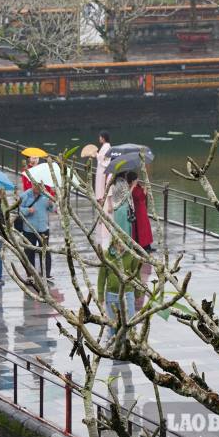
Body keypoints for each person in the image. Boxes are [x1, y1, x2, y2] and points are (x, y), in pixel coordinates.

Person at [98, 174, 138, 334]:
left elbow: (136, 274)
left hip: (127, 290)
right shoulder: (121, 208)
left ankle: (126, 337)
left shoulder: (122, 205)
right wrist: (101, 295)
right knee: (114, 322)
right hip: (113, 293)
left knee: (128, 320)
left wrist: (139, 291)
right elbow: (102, 275)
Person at [19, 180, 55, 281]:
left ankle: (46, 274)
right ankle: (31, 274)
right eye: (35, 185)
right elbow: (18, 209)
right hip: (29, 229)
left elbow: (52, 210)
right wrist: (27, 210)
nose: (37, 187)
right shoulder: (25, 195)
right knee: (29, 252)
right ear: (32, 184)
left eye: (40, 185)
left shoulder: (46, 195)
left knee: (45, 252)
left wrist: (51, 204)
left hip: (43, 228)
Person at [126, 171, 153, 251]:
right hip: (139, 211)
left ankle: (147, 245)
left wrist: (143, 188)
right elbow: (141, 197)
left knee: (145, 229)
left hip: (142, 210)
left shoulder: (136, 187)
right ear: (133, 180)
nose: (138, 180)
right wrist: (145, 189)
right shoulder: (132, 189)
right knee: (141, 229)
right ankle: (143, 246)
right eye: (136, 178)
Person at [93, 132, 111, 201]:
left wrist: (96, 154)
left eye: (100, 137)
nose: (99, 139)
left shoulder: (106, 146)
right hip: (101, 167)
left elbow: (103, 158)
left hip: (103, 168)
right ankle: (100, 197)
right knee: (100, 183)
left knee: (101, 183)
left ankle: (101, 197)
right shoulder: (105, 146)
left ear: (103, 138)